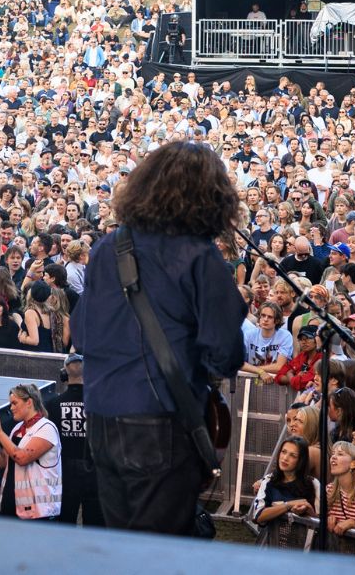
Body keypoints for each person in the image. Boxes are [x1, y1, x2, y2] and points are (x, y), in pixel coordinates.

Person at [74, 139, 246, 535]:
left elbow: (80, 335)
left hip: (100, 417)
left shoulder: (108, 248)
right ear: (210, 196)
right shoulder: (198, 256)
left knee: (123, 548)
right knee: (158, 553)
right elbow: (225, 353)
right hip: (161, 420)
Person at [0, 384, 63, 521]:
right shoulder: (17, 429)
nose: (11, 408)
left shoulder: (47, 429)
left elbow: (22, 458)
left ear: (29, 402)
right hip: (11, 506)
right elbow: (0, 462)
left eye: (14, 403)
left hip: (38, 512)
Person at [49, 353, 98, 526]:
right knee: (95, 524)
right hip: (94, 470)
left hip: (65, 471)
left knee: (65, 522)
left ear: (64, 374)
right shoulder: (98, 403)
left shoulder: (53, 404)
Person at [248, 434, 319, 549]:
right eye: (283, 452)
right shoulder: (269, 481)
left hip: (304, 549)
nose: (285, 458)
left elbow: (320, 524)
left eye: (293, 455)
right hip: (272, 546)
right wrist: (288, 505)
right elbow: (257, 515)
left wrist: (307, 510)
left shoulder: (313, 483)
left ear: (301, 460)